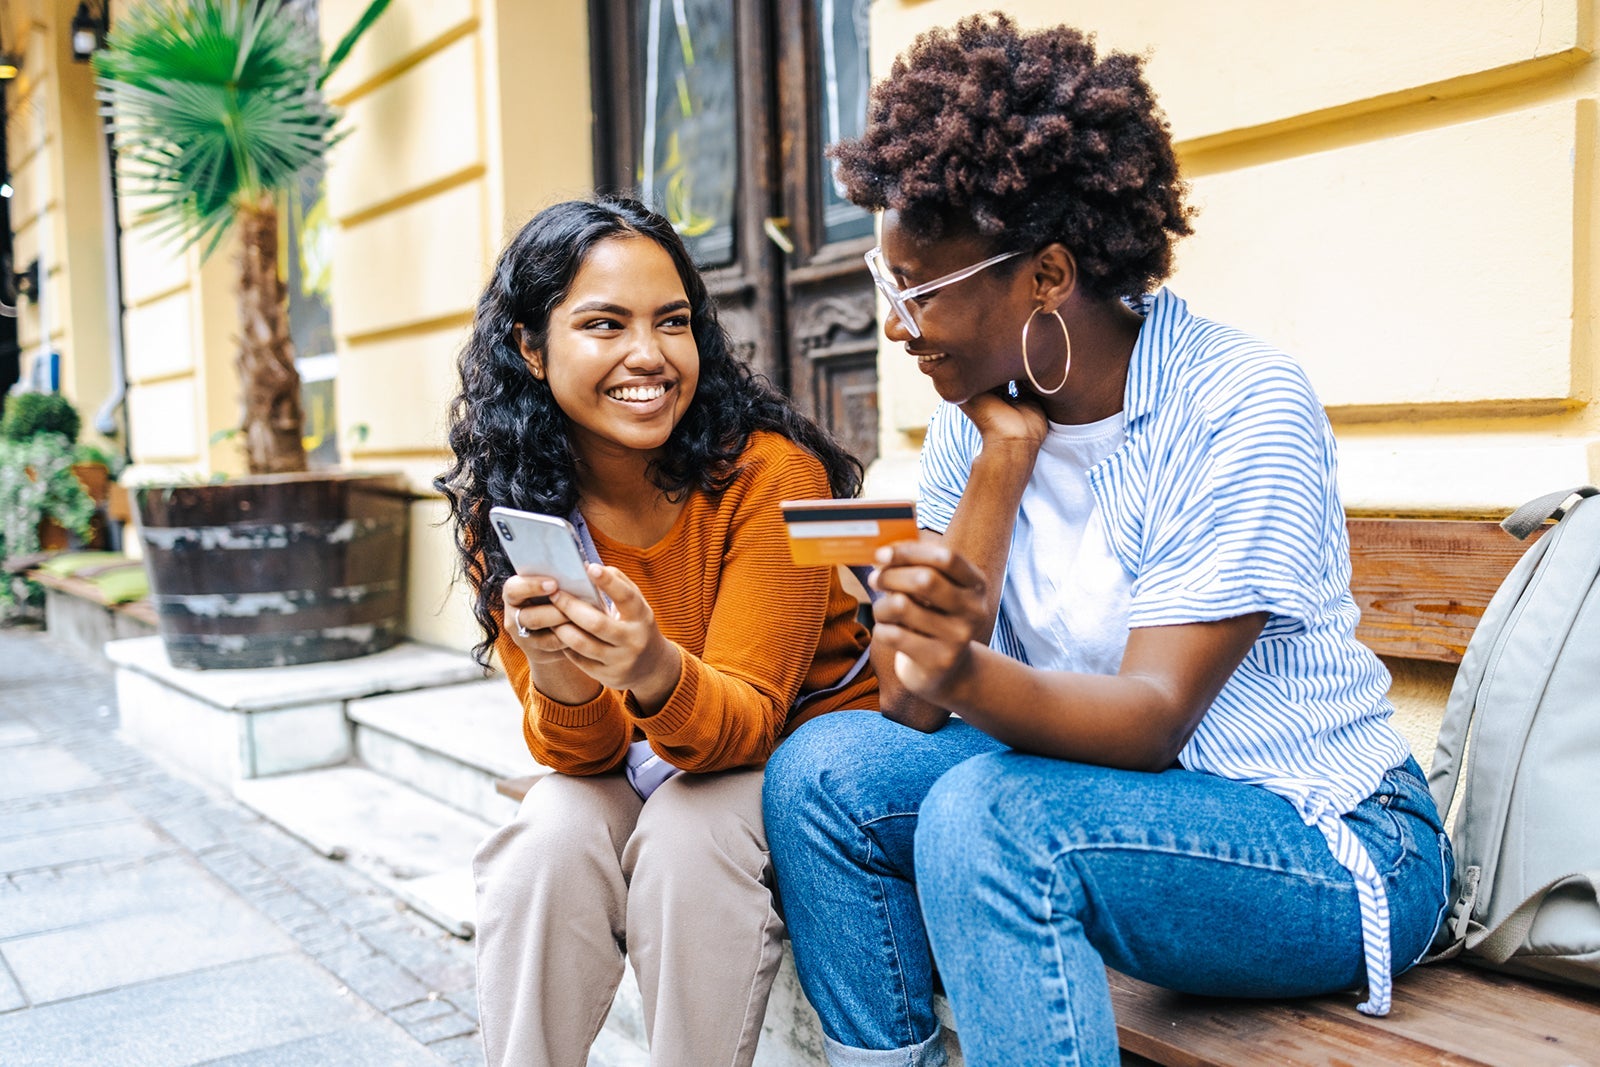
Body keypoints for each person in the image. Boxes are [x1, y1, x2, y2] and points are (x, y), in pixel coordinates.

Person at [761, 16, 1453, 1067]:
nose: (894, 326)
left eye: (917, 290)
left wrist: (954, 661)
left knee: (985, 816)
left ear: (1044, 276)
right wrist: (1002, 462)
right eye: (881, 281)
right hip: (1120, 810)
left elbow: (1150, 721)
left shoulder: (1237, 401)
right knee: (822, 773)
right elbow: (907, 703)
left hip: (1323, 835)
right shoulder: (974, 417)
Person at [436, 196, 878, 1067]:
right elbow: (584, 757)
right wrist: (557, 667)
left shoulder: (768, 473)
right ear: (531, 346)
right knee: (549, 832)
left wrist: (647, 666)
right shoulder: (511, 502)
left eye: (671, 322)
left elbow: (749, 722)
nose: (649, 356)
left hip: (798, 762)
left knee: (686, 831)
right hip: (649, 761)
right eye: (605, 324)